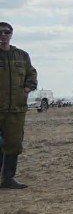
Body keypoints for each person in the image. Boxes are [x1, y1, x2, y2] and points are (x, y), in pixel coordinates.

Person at [0, 22, 37, 189]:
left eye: (6, 32)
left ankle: (8, 178)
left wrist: (27, 88)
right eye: (0, 32)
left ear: (11, 34)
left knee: (13, 144)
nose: (3, 35)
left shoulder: (21, 55)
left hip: (16, 109)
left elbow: (32, 74)